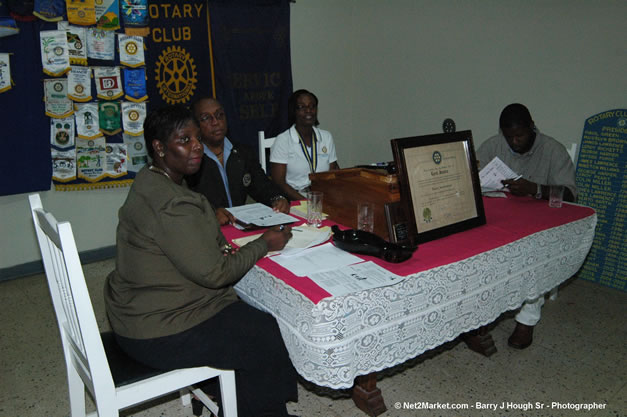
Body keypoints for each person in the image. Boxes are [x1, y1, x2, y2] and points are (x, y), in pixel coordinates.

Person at [104, 105, 298, 417]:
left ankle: (241, 398)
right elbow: (216, 274)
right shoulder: (173, 203)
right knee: (263, 332)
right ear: (159, 147)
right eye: (185, 140)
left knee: (249, 319)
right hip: (156, 330)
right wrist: (265, 242)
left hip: (136, 310)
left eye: (197, 138)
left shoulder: (150, 179)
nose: (197, 146)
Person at [476, 103, 577, 349]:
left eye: (519, 135)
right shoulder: (493, 145)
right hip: (501, 218)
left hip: (537, 223)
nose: (514, 142)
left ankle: (527, 321)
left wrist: (536, 189)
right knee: (475, 249)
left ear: (532, 127)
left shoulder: (553, 150)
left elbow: (571, 196)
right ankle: (479, 318)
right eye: (509, 136)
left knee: (536, 255)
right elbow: (473, 178)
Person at [187, 96, 290, 226]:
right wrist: (211, 213)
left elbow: (262, 185)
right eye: (206, 118)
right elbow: (187, 200)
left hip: (241, 226)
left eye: (220, 115)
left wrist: (278, 198)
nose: (216, 122)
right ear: (194, 125)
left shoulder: (242, 152)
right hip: (208, 229)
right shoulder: (190, 160)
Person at [270, 89, 340, 200]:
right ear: (294, 111)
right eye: (302, 107)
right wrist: (306, 202)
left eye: (312, 106)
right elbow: (279, 182)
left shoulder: (326, 137)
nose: (308, 110)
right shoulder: (283, 140)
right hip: (294, 199)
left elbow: (332, 175)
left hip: (322, 197)